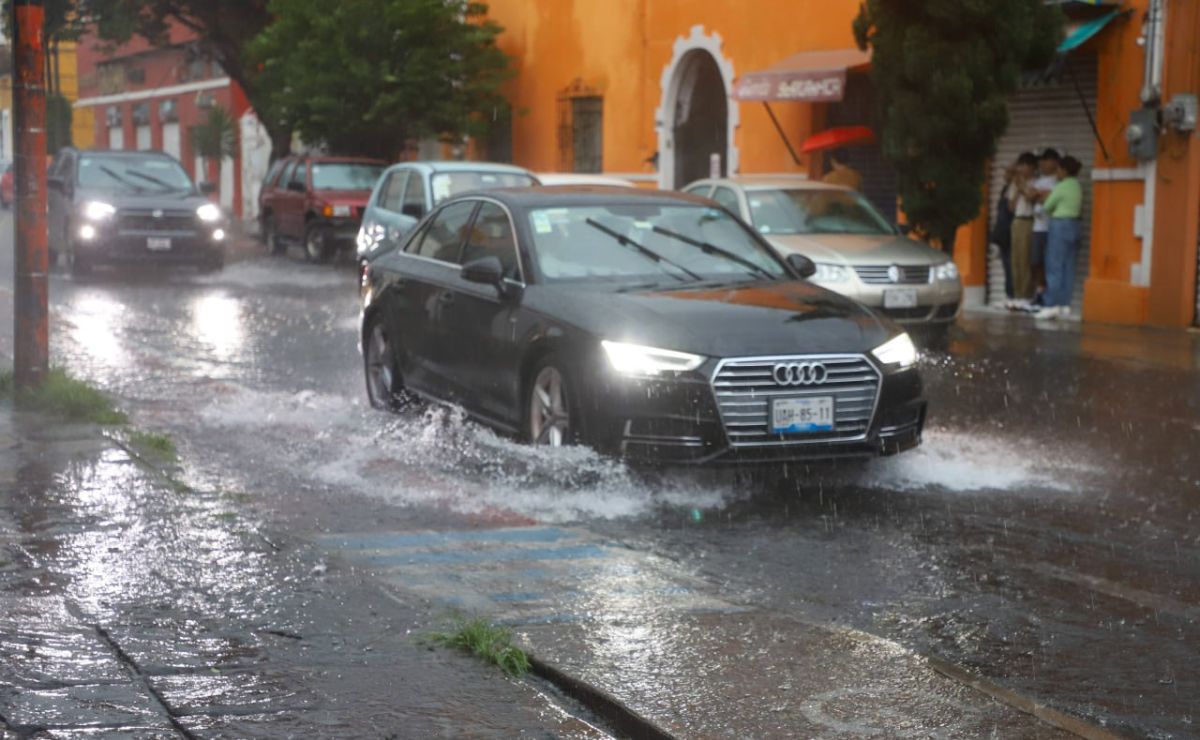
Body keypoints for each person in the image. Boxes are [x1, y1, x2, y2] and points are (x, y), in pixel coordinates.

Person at [1035, 156, 1084, 320]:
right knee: (1068, 266)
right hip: (1075, 226)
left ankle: (1050, 306)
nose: (1056, 173)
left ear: (1063, 170)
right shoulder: (1077, 186)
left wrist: (1042, 207)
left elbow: (1047, 206)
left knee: (1054, 266)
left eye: (1058, 170)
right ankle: (1064, 305)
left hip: (1060, 226)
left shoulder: (1061, 186)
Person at [1028, 148, 1061, 308]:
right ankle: (1039, 291)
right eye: (1040, 160)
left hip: (1051, 228)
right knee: (1035, 261)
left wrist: (1039, 195)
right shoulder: (1038, 180)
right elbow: (1030, 196)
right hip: (1037, 227)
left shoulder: (1058, 180)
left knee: (1050, 264)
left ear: (1054, 162)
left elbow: (1048, 198)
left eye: (1045, 160)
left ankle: (1050, 297)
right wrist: (1040, 194)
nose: (1041, 163)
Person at [1007, 152, 1039, 308]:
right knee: (1016, 260)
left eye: (1025, 166)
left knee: (1026, 259)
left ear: (1032, 167)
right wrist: (1017, 189)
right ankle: (1017, 294)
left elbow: (1030, 198)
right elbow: (1011, 206)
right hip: (1017, 221)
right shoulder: (1015, 183)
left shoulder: (1036, 183)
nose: (1022, 169)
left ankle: (1027, 295)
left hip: (1029, 222)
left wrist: (1022, 187)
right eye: (1020, 166)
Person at [991, 159, 1019, 304]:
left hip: (1011, 232)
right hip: (1002, 233)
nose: (1005, 175)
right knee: (1006, 265)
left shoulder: (1016, 188)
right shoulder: (1005, 188)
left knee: (1011, 266)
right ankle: (1009, 295)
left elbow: (1011, 209)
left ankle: (1013, 296)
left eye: (1009, 172)